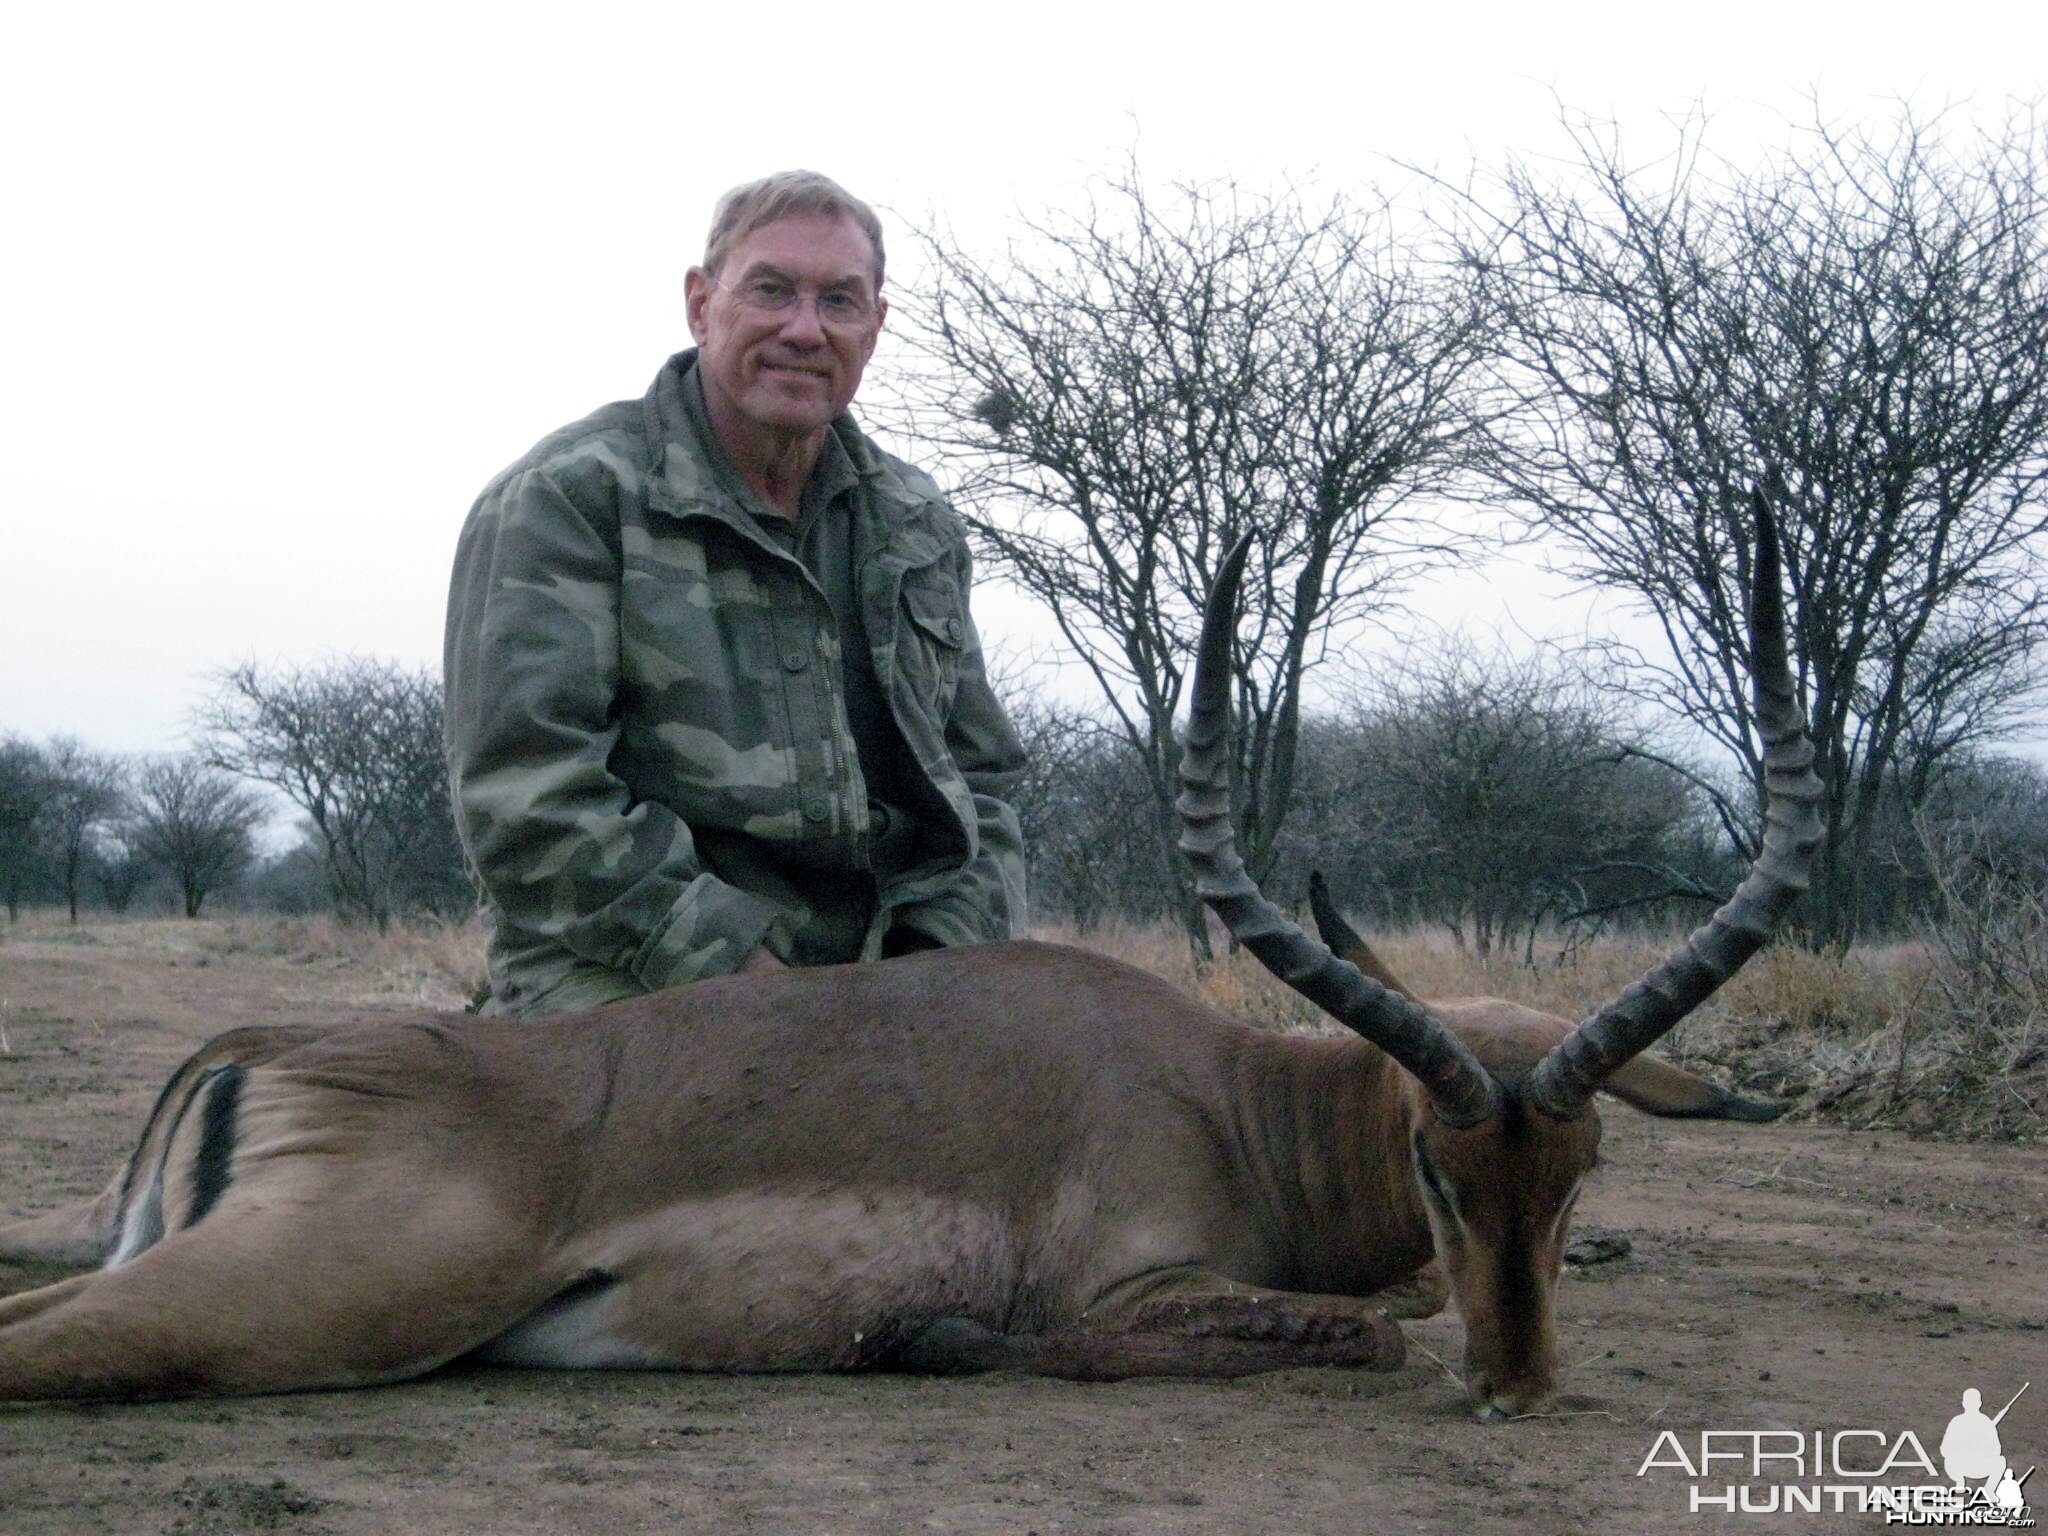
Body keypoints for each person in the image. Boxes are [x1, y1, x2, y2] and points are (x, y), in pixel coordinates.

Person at [445, 170, 1028, 1018]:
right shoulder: (565, 499)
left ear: (874, 326)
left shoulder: (918, 521)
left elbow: (982, 788)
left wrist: (935, 969)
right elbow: (526, 799)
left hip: (885, 976)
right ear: (699, 303)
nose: (804, 328)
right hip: (628, 961)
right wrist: (754, 990)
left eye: (839, 300)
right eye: (771, 290)